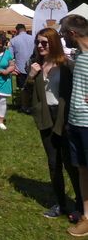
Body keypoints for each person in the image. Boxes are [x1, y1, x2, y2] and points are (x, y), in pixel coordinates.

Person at [24, 27, 82, 222]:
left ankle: (82, 204)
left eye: (44, 42)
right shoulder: (35, 66)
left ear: (54, 43)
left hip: (65, 117)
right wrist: (31, 77)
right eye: (38, 42)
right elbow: (25, 97)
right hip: (45, 117)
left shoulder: (67, 65)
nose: (40, 46)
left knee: (71, 163)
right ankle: (61, 203)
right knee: (53, 163)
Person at [63, 15, 88, 237]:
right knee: (82, 169)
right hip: (75, 121)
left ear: (72, 34)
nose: (63, 37)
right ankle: (87, 217)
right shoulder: (80, 54)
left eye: (64, 33)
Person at [11, 23, 35, 113]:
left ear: (17, 30)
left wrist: (13, 67)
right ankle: (31, 104)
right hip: (32, 66)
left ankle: (24, 106)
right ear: (25, 29)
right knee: (32, 87)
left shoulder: (13, 40)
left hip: (20, 67)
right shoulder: (33, 38)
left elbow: (10, 56)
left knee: (23, 88)